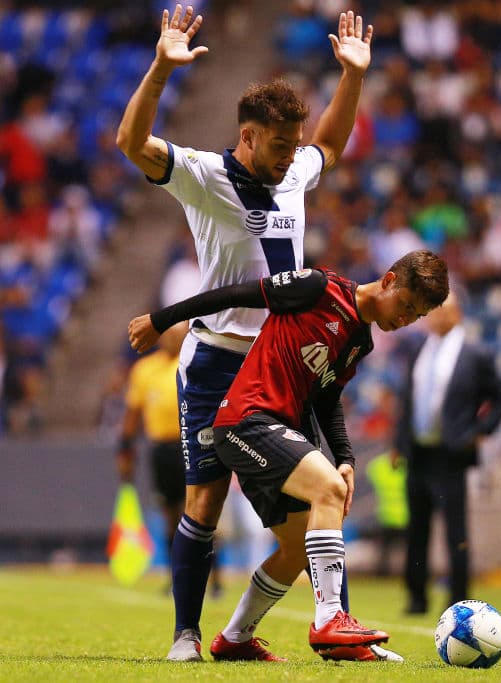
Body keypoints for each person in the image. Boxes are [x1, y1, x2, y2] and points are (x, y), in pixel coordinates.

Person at [115, 4, 380, 662]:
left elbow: (334, 146)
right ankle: (185, 634)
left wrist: (351, 77)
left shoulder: (293, 173)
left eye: (296, 145)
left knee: (315, 501)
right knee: (203, 501)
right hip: (216, 362)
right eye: (281, 144)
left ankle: (300, 626)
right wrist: (159, 70)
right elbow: (131, 144)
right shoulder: (204, 176)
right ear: (248, 135)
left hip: (279, 368)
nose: (294, 157)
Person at [128, 250, 450, 661]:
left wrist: (346, 457)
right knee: (326, 490)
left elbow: (329, 398)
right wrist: (163, 319)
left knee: (299, 547)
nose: (405, 320)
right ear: (388, 280)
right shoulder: (318, 288)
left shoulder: (360, 340)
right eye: (405, 306)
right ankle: (331, 621)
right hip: (246, 421)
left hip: (279, 431)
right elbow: (236, 294)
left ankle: (235, 638)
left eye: (415, 317)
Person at [390, 292, 501, 614]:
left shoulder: (475, 354)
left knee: (456, 531)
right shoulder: (419, 349)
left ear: (457, 313)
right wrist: (399, 443)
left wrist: (479, 433)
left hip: (451, 456)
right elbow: (408, 401)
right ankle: (416, 597)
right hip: (419, 454)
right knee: (417, 530)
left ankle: (459, 598)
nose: (433, 314)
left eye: (441, 309)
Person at [116, 323, 190, 567]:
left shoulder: (193, 361)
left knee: (198, 511)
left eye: (176, 335)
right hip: (162, 448)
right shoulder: (145, 369)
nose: (170, 340)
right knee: (170, 513)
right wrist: (125, 449)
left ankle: (214, 579)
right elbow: (132, 414)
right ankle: (174, 574)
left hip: (191, 445)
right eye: (166, 335)